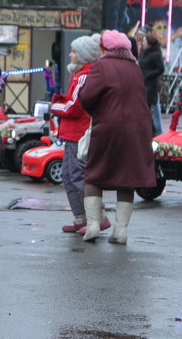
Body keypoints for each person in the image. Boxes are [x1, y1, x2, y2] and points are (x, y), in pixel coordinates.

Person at [78, 30, 156, 244]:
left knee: (95, 174)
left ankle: (93, 225)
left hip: (109, 127)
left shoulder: (102, 66)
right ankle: (121, 231)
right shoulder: (135, 68)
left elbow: (86, 97)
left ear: (105, 48)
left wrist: (96, 110)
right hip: (138, 129)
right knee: (127, 179)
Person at [50, 35, 110, 235]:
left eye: (74, 51)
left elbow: (74, 107)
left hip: (79, 132)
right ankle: (81, 217)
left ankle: (97, 216)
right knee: (69, 175)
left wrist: (54, 105)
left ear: (84, 55)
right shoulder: (79, 73)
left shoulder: (84, 75)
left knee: (77, 175)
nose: (70, 54)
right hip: (73, 132)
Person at [138, 30, 165, 135]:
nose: (143, 43)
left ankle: (158, 132)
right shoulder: (143, 52)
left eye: (144, 41)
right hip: (143, 84)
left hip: (151, 85)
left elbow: (160, 69)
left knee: (154, 109)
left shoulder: (156, 53)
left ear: (149, 43)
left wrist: (148, 74)